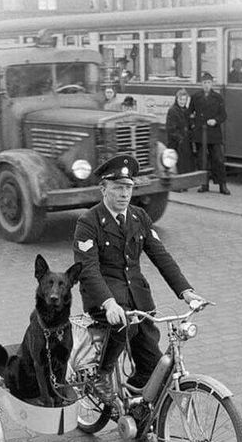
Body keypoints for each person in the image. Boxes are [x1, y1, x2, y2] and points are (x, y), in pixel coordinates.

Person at [73, 154, 204, 402]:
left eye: (129, 188)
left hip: (139, 301)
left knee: (155, 366)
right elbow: (87, 269)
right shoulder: (88, 222)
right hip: (106, 300)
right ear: (103, 189)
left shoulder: (139, 217)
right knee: (122, 327)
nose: (124, 194)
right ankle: (102, 374)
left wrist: (186, 291)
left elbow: (160, 255)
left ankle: (137, 407)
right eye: (118, 188)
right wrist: (108, 303)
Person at [189, 72, 231, 195]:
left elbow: (223, 115)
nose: (206, 85)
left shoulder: (218, 98)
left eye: (208, 83)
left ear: (211, 84)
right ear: (201, 84)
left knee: (218, 159)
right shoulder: (195, 97)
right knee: (202, 160)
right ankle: (204, 184)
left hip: (213, 134)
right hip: (200, 133)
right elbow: (190, 113)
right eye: (204, 83)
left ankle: (222, 185)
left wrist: (215, 120)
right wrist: (194, 123)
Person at [166, 88, 195, 179]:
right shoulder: (172, 110)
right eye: (180, 99)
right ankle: (177, 183)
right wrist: (179, 138)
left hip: (185, 140)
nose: (182, 102)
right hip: (176, 142)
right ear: (176, 99)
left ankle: (183, 181)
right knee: (177, 163)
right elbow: (171, 128)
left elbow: (189, 124)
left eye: (184, 100)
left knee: (185, 163)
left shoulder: (186, 110)